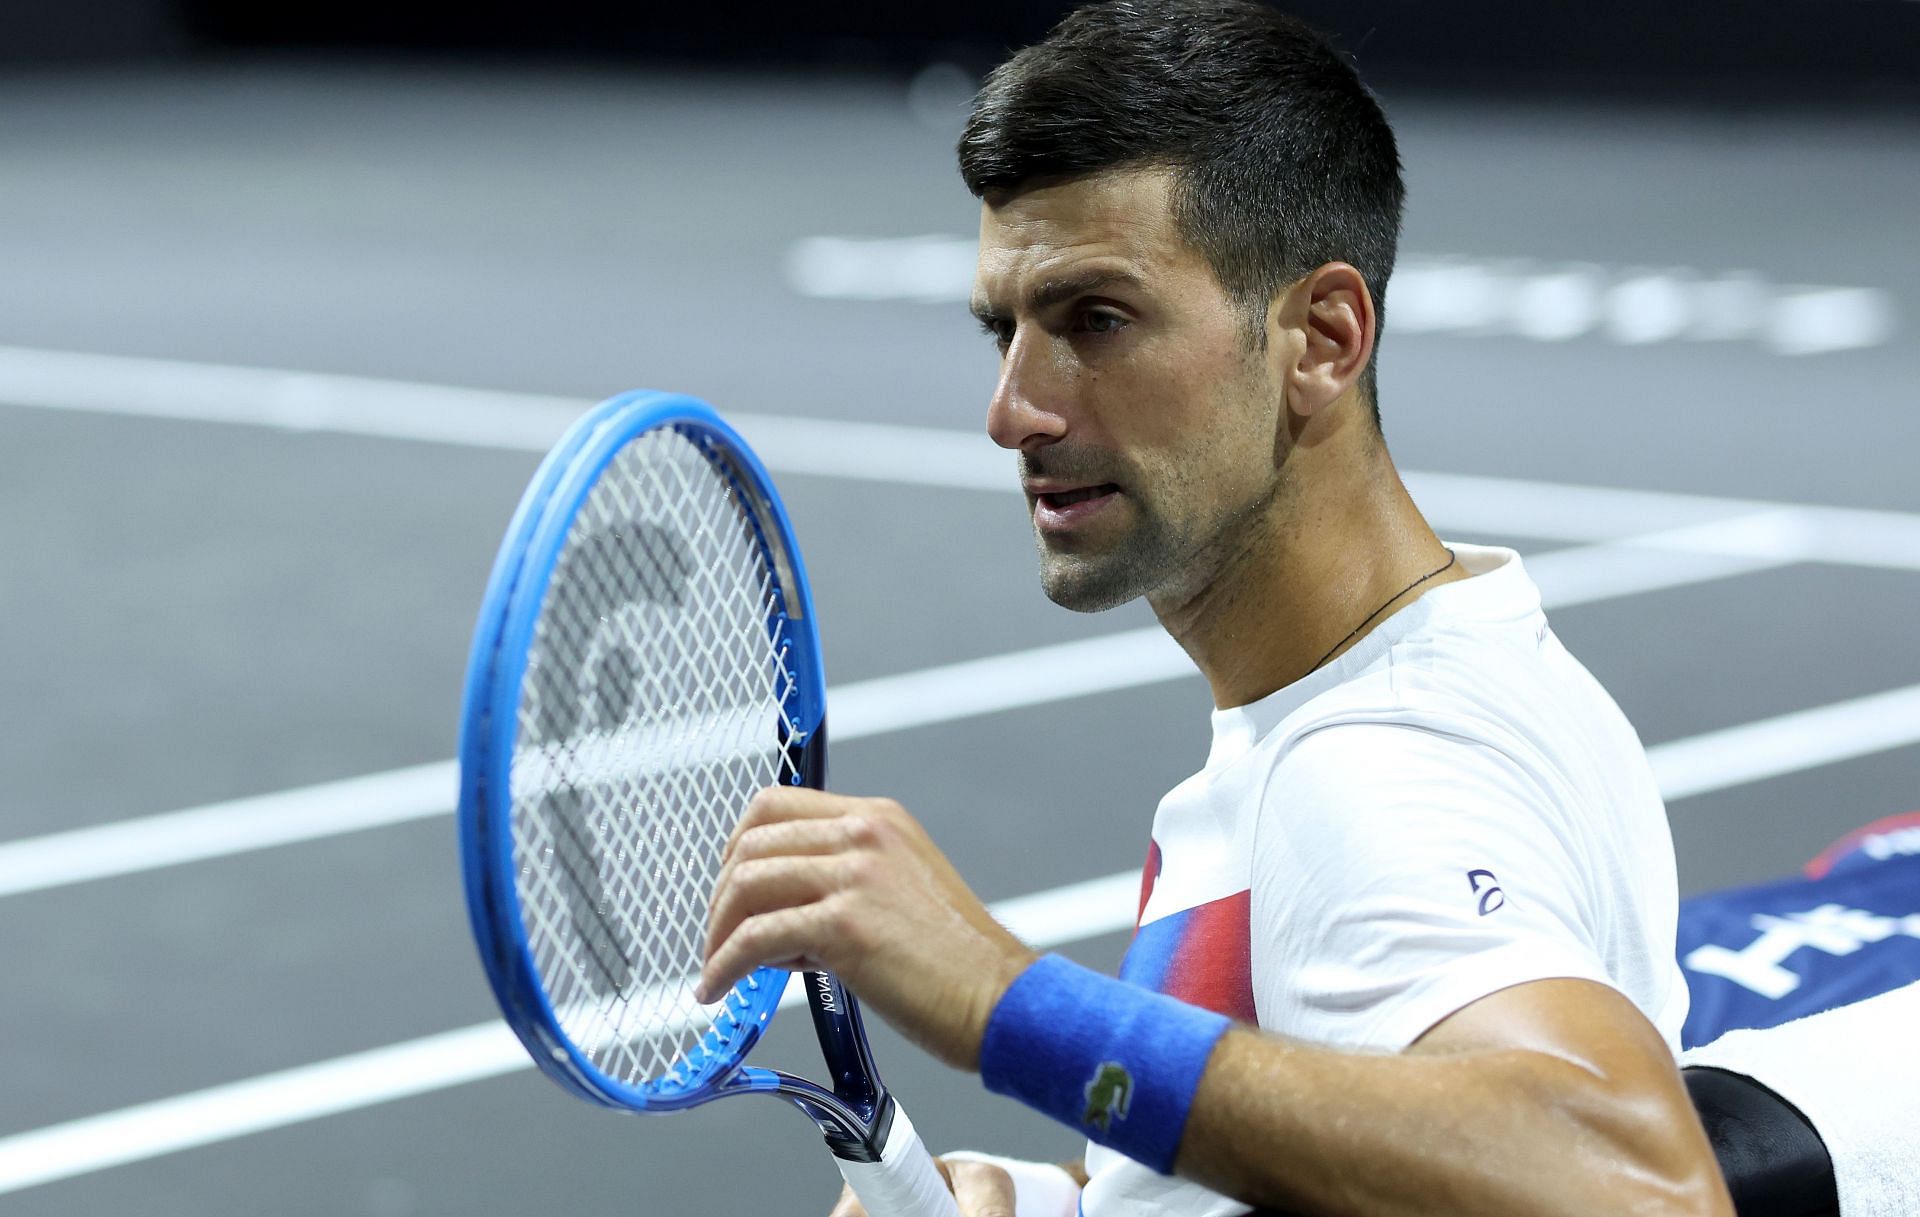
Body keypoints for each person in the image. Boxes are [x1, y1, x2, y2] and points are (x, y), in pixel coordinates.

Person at [694, 1, 1735, 1213]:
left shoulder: (1367, 771)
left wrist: (1001, 1000)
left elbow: (1639, 1186)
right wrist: (1060, 1201)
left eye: (1097, 319)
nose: (1013, 409)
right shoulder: (1451, 654)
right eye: (1006, 329)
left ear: (1323, 338)